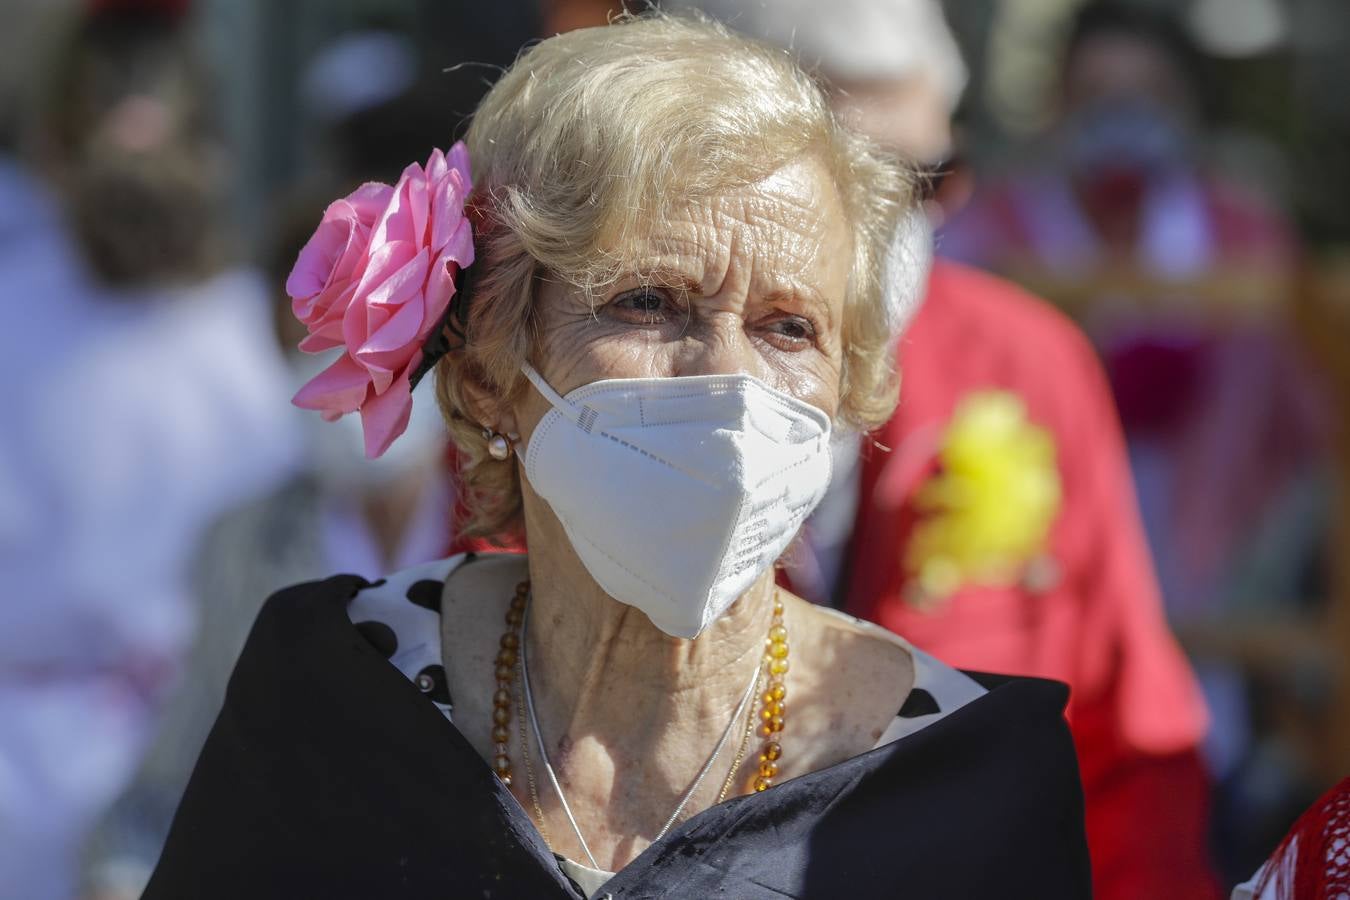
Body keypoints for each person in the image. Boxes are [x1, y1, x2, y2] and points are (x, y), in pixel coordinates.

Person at [144, 13, 1091, 898]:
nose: (730, 382)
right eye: (647, 301)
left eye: (790, 328)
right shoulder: (335, 690)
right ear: (485, 374)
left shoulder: (972, 775)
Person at [663, 2, 1218, 897]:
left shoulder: (1026, 360)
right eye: (848, 185)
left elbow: (1130, 725)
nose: (892, 222)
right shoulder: (626, 380)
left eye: (927, 178)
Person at [0, 4, 299, 898]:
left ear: (56, 144)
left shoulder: (12, 306)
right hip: (201, 754)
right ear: (214, 151)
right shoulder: (245, 335)